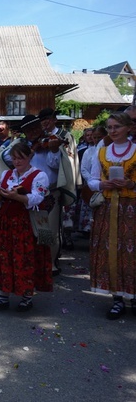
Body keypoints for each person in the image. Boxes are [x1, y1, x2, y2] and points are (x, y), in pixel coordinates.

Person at [2, 114, 75, 276]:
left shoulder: (52, 140)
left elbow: (55, 165)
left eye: (36, 128)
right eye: (29, 130)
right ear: (24, 132)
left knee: (48, 230)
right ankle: (31, 262)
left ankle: (50, 263)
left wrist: (54, 149)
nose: (34, 132)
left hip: (49, 193)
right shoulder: (22, 144)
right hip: (24, 193)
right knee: (28, 231)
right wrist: (31, 150)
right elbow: (6, 157)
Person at [0, 142, 52, 312]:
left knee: (25, 257)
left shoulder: (39, 175)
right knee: (3, 256)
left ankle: (26, 296)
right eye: (14, 158)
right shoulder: (7, 174)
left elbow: (38, 198)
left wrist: (17, 197)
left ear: (29, 157)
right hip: (5, 221)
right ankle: (3, 296)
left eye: (21, 157)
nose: (17, 161)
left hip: (25, 222)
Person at [87, 112, 136, 320]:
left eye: (116, 127)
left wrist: (131, 184)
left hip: (132, 207)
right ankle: (117, 298)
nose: (113, 131)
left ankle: (133, 296)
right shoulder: (103, 151)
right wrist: (101, 184)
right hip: (108, 207)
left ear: (128, 128)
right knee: (111, 252)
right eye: (109, 127)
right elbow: (90, 178)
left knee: (132, 252)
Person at [38, 107, 80, 251]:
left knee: (53, 226)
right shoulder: (39, 137)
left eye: (48, 119)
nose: (45, 123)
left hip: (56, 185)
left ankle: (53, 259)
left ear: (55, 120)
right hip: (38, 188)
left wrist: (54, 149)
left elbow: (66, 163)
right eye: (42, 120)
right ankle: (44, 256)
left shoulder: (65, 136)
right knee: (42, 225)